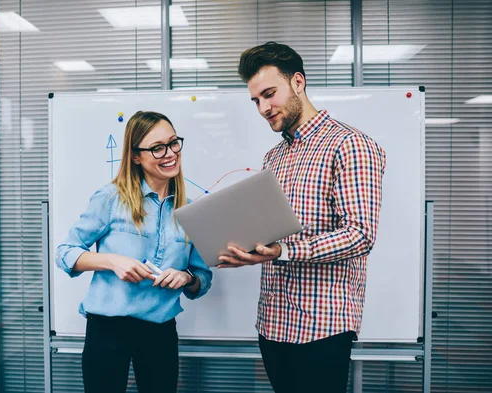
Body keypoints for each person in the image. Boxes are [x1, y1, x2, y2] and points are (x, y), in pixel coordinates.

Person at [218, 42, 387, 392]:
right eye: (256, 101)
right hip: (273, 322)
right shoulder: (273, 157)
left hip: (322, 326)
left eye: (269, 94)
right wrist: (248, 249)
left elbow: (360, 234)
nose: (264, 108)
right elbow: (272, 234)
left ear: (297, 82)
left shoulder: (350, 145)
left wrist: (284, 251)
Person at [55, 110, 212, 393]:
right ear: (136, 156)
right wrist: (111, 261)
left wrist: (186, 278)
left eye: (173, 143)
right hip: (107, 330)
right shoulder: (111, 198)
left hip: (160, 333)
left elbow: (202, 277)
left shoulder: (191, 209)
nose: (170, 154)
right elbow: (65, 252)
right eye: (157, 148)